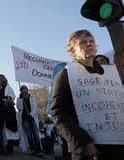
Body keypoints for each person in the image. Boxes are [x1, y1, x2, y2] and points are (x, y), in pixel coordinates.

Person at [51, 29, 124, 160]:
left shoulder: (113, 75)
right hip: (90, 150)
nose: (89, 44)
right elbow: (58, 113)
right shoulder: (65, 75)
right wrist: (82, 142)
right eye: (83, 42)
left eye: (92, 41)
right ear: (73, 52)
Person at [16, 85, 42, 157]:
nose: (24, 91)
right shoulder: (19, 99)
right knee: (29, 135)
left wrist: (31, 114)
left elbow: (35, 107)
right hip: (24, 119)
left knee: (36, 134)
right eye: (23, 90)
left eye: (25, 89)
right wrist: (21, 100)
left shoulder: (32, 98)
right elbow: (19, 107)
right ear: (21, 91)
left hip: (32, 118)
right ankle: (32, 150)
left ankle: (39, 150)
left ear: (27, 90)